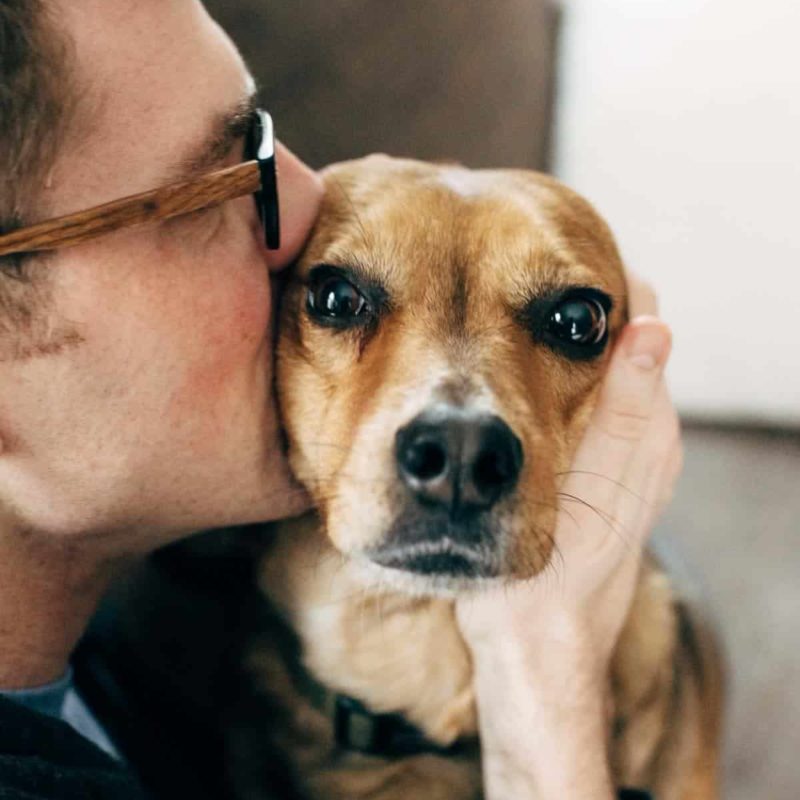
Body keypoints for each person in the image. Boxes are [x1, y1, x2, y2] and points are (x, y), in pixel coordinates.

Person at [0, 1, 679, 799]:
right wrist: (549, 710)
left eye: (569, 322)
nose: (303, 198)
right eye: (201, 191)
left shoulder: (144, 658)